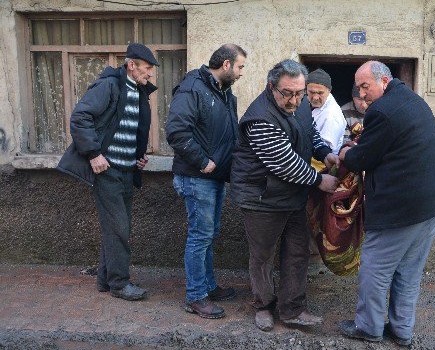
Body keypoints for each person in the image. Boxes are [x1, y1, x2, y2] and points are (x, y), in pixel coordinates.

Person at [338, 61, 435, 346]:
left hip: (400, 207)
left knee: (375, 269)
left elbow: (364, 159)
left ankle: (369, 327)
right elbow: (391, 146)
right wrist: (364, 147)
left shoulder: (381, 111)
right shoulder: (413, 100)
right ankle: (402, 330)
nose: (362, 95)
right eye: (359, 88)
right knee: (409, 270)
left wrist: (346, 155)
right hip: (430, 204)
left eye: (366, 87)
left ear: (384, 81)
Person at [230, 59, 339, 332]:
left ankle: (291, 308)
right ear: (271, 87)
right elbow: (284, 162)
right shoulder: (259, 117)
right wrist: (318, 179)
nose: (294, 100)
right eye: (287, 93)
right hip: (261, 198)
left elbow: (310, 133)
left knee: (297, 252)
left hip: (292, 195)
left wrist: (324, 151)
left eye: (299, 93)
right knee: (263, 256)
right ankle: (263, 306)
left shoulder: (301, 103)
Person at [57, 43, 159, 301]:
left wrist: (138, 156)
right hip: (108, 170)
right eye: (147, 69)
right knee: (119, 228)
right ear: (132, 65)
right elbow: (80, 118)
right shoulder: (109, 85)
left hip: (126, 170)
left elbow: (130, 128)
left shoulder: (138, 90)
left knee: (116, 228)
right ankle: (119, 284)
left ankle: (105, 279)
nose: (150, 74)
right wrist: (93, 154)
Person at [165, 44, 246, 319]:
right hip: (197, 177)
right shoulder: (193, 89)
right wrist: (202, 161)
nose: (241, 73)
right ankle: (196, 296)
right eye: (240, 67)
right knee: (200, 236)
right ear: (226, 65)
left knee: (209, 235)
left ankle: (208, 286)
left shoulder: (224, 93)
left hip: (215, 178)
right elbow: (176, 131)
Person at [306, 69, 346, 154]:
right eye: (311, 92)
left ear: (329, 91)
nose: (315, 97)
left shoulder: (332, 116)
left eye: (320, 93)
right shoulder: (303, 100)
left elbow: (326, 151)